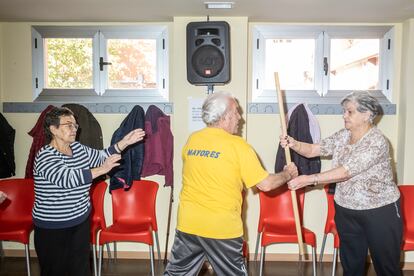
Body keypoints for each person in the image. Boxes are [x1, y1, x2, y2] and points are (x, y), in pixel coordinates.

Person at [164, 92, 298, 276]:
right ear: (225, 116)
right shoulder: (239, 146)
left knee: (176, 274)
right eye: (236, 112)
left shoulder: (192, 140)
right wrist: (287, 174)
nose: (239, 118)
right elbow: (265, 184)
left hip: (188, 224)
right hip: (222, 228)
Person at [281, 91, 402, 276]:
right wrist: (294, 143)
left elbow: (344, 172)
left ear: (366, 115)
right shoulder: (344, 135)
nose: (344, 115)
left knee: (387, 268)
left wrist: (309, 179)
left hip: (379, 211)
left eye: (349, 112)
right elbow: (315, 149)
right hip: (346, 210)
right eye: (344, 111)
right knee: (351, 267)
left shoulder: (377, 142)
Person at [32, 107, 145, 276]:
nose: (74, 129)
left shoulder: (78, 149)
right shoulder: (45, 156)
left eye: (75, 125)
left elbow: (102, 155)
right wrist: (102, 169)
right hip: (53, 228)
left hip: (79, 221)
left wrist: (124, 143)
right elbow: (68, 179)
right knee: (55, 271)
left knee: (81, 269)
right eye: (68, 125)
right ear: (53, 129)